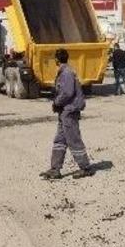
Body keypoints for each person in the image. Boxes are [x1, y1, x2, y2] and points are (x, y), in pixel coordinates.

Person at [40, 49, 95, 180]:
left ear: (57, 60)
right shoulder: (65, 72)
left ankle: (85, 168)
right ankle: (55, 169)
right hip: (64, 112)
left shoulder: (66, 73)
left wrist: (56, 103)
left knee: (73, 140)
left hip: (69, 111)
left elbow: (67, 93)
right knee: (59, 140)